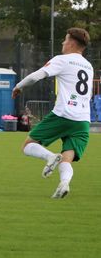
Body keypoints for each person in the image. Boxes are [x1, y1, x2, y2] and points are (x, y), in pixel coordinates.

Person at [12, 28, 93, 199]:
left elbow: (35, 77)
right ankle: (64, 184)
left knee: (27, 145)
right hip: (83, 120)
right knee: (67, 158)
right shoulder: (88, 66)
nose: (63, 43)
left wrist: (18, 86)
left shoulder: (62, 60)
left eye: (65, 39)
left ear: (72, 43)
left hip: (63, 115)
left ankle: (50, 157)